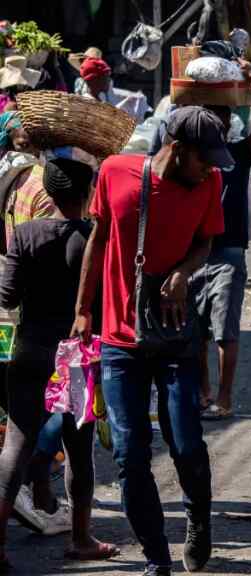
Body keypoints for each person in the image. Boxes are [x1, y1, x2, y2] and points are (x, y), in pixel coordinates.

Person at [72, 106, 231, 576]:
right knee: (129, 453)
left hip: (177, 336)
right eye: (205, 159)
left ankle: (198, 520)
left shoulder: (209, 185)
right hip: (120, 339)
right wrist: (83, 310)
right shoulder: (115, 172)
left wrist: (184, 272)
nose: (212, 169)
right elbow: (97, 241)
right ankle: (156, 557)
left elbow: (206, 241)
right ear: (177, 149)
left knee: (185, 442)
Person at [0, 158, 119, 569]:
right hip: (78, 357)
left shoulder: (25, 234)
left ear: (47, 194)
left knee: (16, 444)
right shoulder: (94, 238)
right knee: (79, 450)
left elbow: (7, 297)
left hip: (29, 350)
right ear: (87, 195)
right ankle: (82, 539)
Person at [194, 60, 251, 420]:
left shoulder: (238, 154)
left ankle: (224, 398)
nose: (218, 124)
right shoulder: (191, 158)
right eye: (212, 117)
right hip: (192, 253)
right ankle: (202, 393)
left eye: (222, 118)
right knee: (194, 333)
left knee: (225, 330)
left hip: (227, 253)